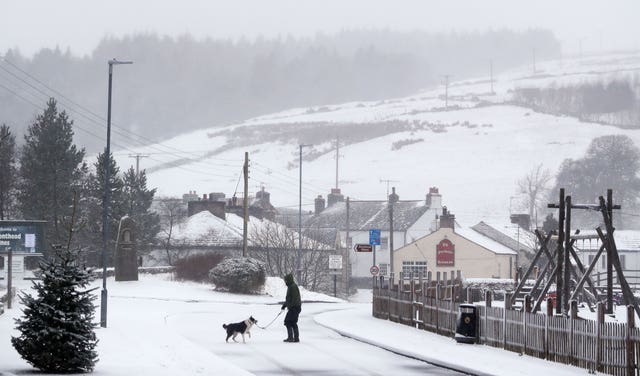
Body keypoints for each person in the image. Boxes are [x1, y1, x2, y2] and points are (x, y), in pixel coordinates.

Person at [281, 273, 301, 343]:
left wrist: (290, 306)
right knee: (292, 322)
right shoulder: (290, 286)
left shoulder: (293, 287)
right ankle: (295, 338)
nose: (285, 282)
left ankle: (291, 338)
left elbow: (294, 299)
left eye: (286, 280)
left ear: (289, 280)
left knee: (288, 322)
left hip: (294, 308)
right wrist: (285, 305)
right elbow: (289, 298)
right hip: (294, 307)